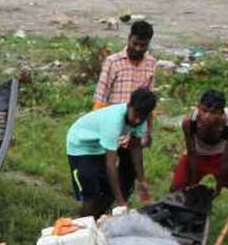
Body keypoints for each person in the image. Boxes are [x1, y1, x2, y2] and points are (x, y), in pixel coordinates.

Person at [67, 88, 157, 218]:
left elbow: (136, 149)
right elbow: (111, 164)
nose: (137, 121)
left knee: (107, 192)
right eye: (136, 114)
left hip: (100, 145)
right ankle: (85, 224)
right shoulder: (113, 121)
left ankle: (99, 218)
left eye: (142, 117)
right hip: (81, 145)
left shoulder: (140, 120)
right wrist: (121, 202)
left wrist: (142, 181)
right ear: (129, 105)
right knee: (91, 194)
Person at [93, 20, 156, 199]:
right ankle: (103, 204)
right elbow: (100, 97)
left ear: (148, 44)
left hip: (134, 127)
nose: (137, 48)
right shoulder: (113, 62)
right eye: (134, 43)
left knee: (128, 174)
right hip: (112, 127)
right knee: (106, 170)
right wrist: (99, 129)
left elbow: (148, 102)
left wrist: (148, 131)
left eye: (142, 45)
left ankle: (121, 206)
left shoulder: (151, 64)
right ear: (129, 38)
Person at [171, 90, 228, 196]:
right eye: (204, 110)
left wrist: (218, 188)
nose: (207, 117)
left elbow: (225, 160)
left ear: (221, 113)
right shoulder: (189, 122)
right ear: (198, 107)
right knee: (176, 188)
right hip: (198, 156)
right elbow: (192, 152)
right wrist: (193, 184)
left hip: (221, 157)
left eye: (213, 113)